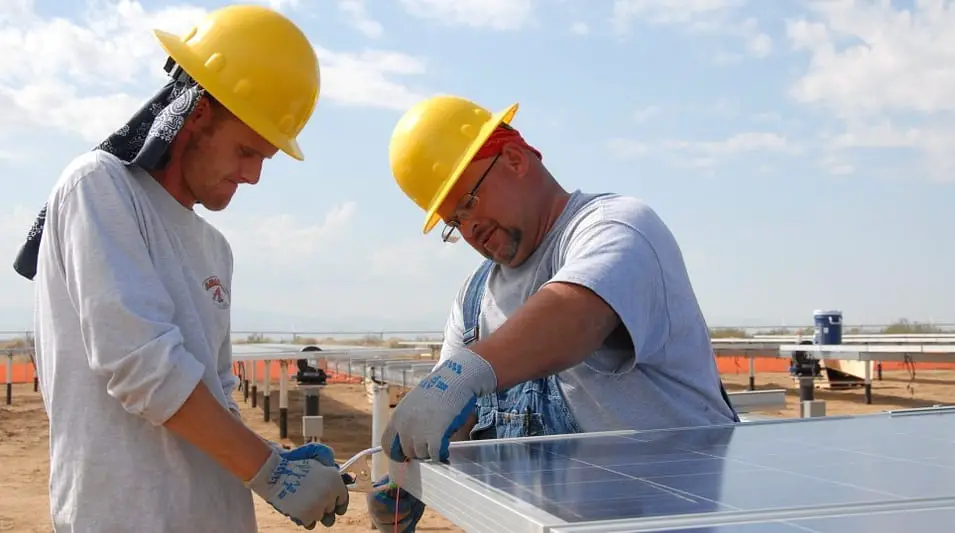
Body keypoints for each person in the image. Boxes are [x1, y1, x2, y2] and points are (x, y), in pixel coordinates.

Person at [12, 5, 349, 532]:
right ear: (196, 114)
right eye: (245, 151)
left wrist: (275, 460)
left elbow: (212, 395)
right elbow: (142, 368)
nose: (253, 177)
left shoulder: (215, 250)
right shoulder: (99, 188)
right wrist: (268, 472)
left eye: (265, 158)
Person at [366, 94, 740, 530]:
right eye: (454, 223)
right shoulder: (473, 299)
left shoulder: (617, 227)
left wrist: (462, 376)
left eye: (467, 203)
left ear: (513, 158)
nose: (470, 230)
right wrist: (405, 479)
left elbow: (574, 316)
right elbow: (450, 417)